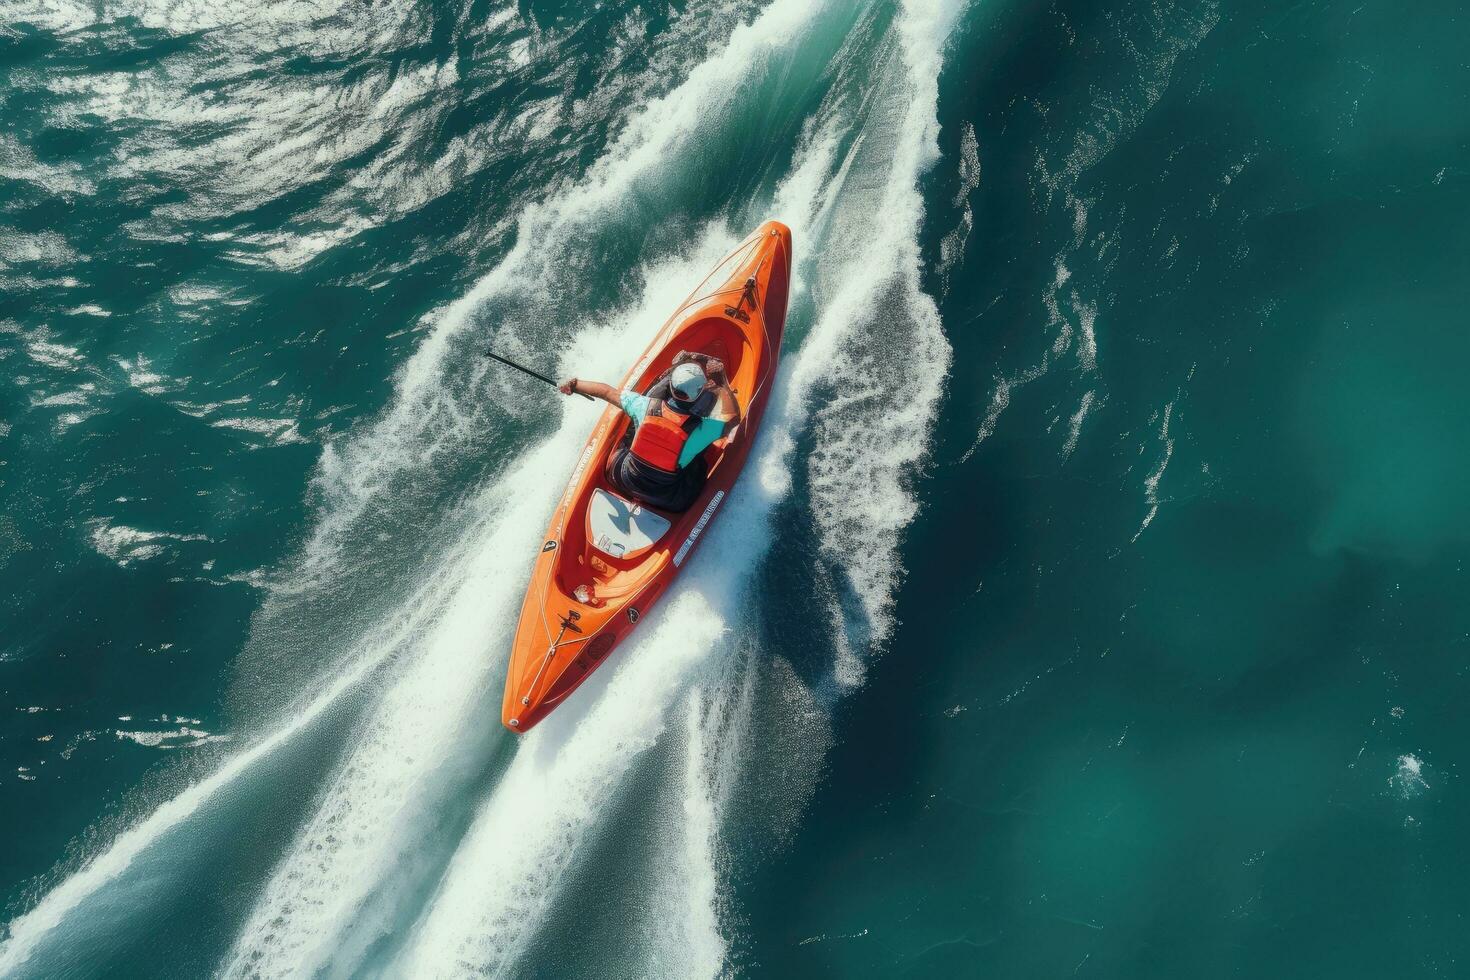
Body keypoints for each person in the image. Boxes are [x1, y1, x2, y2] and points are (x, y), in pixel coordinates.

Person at [559, 351, 738, 512]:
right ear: (700, 392)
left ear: (671, 388)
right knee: (698, 462)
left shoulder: (643, 406)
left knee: (632, 435)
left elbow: (606, 392)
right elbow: (732, 418)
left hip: (623, 479)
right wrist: (721, 383)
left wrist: (574, 385)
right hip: (668, 498)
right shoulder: (701, 431)